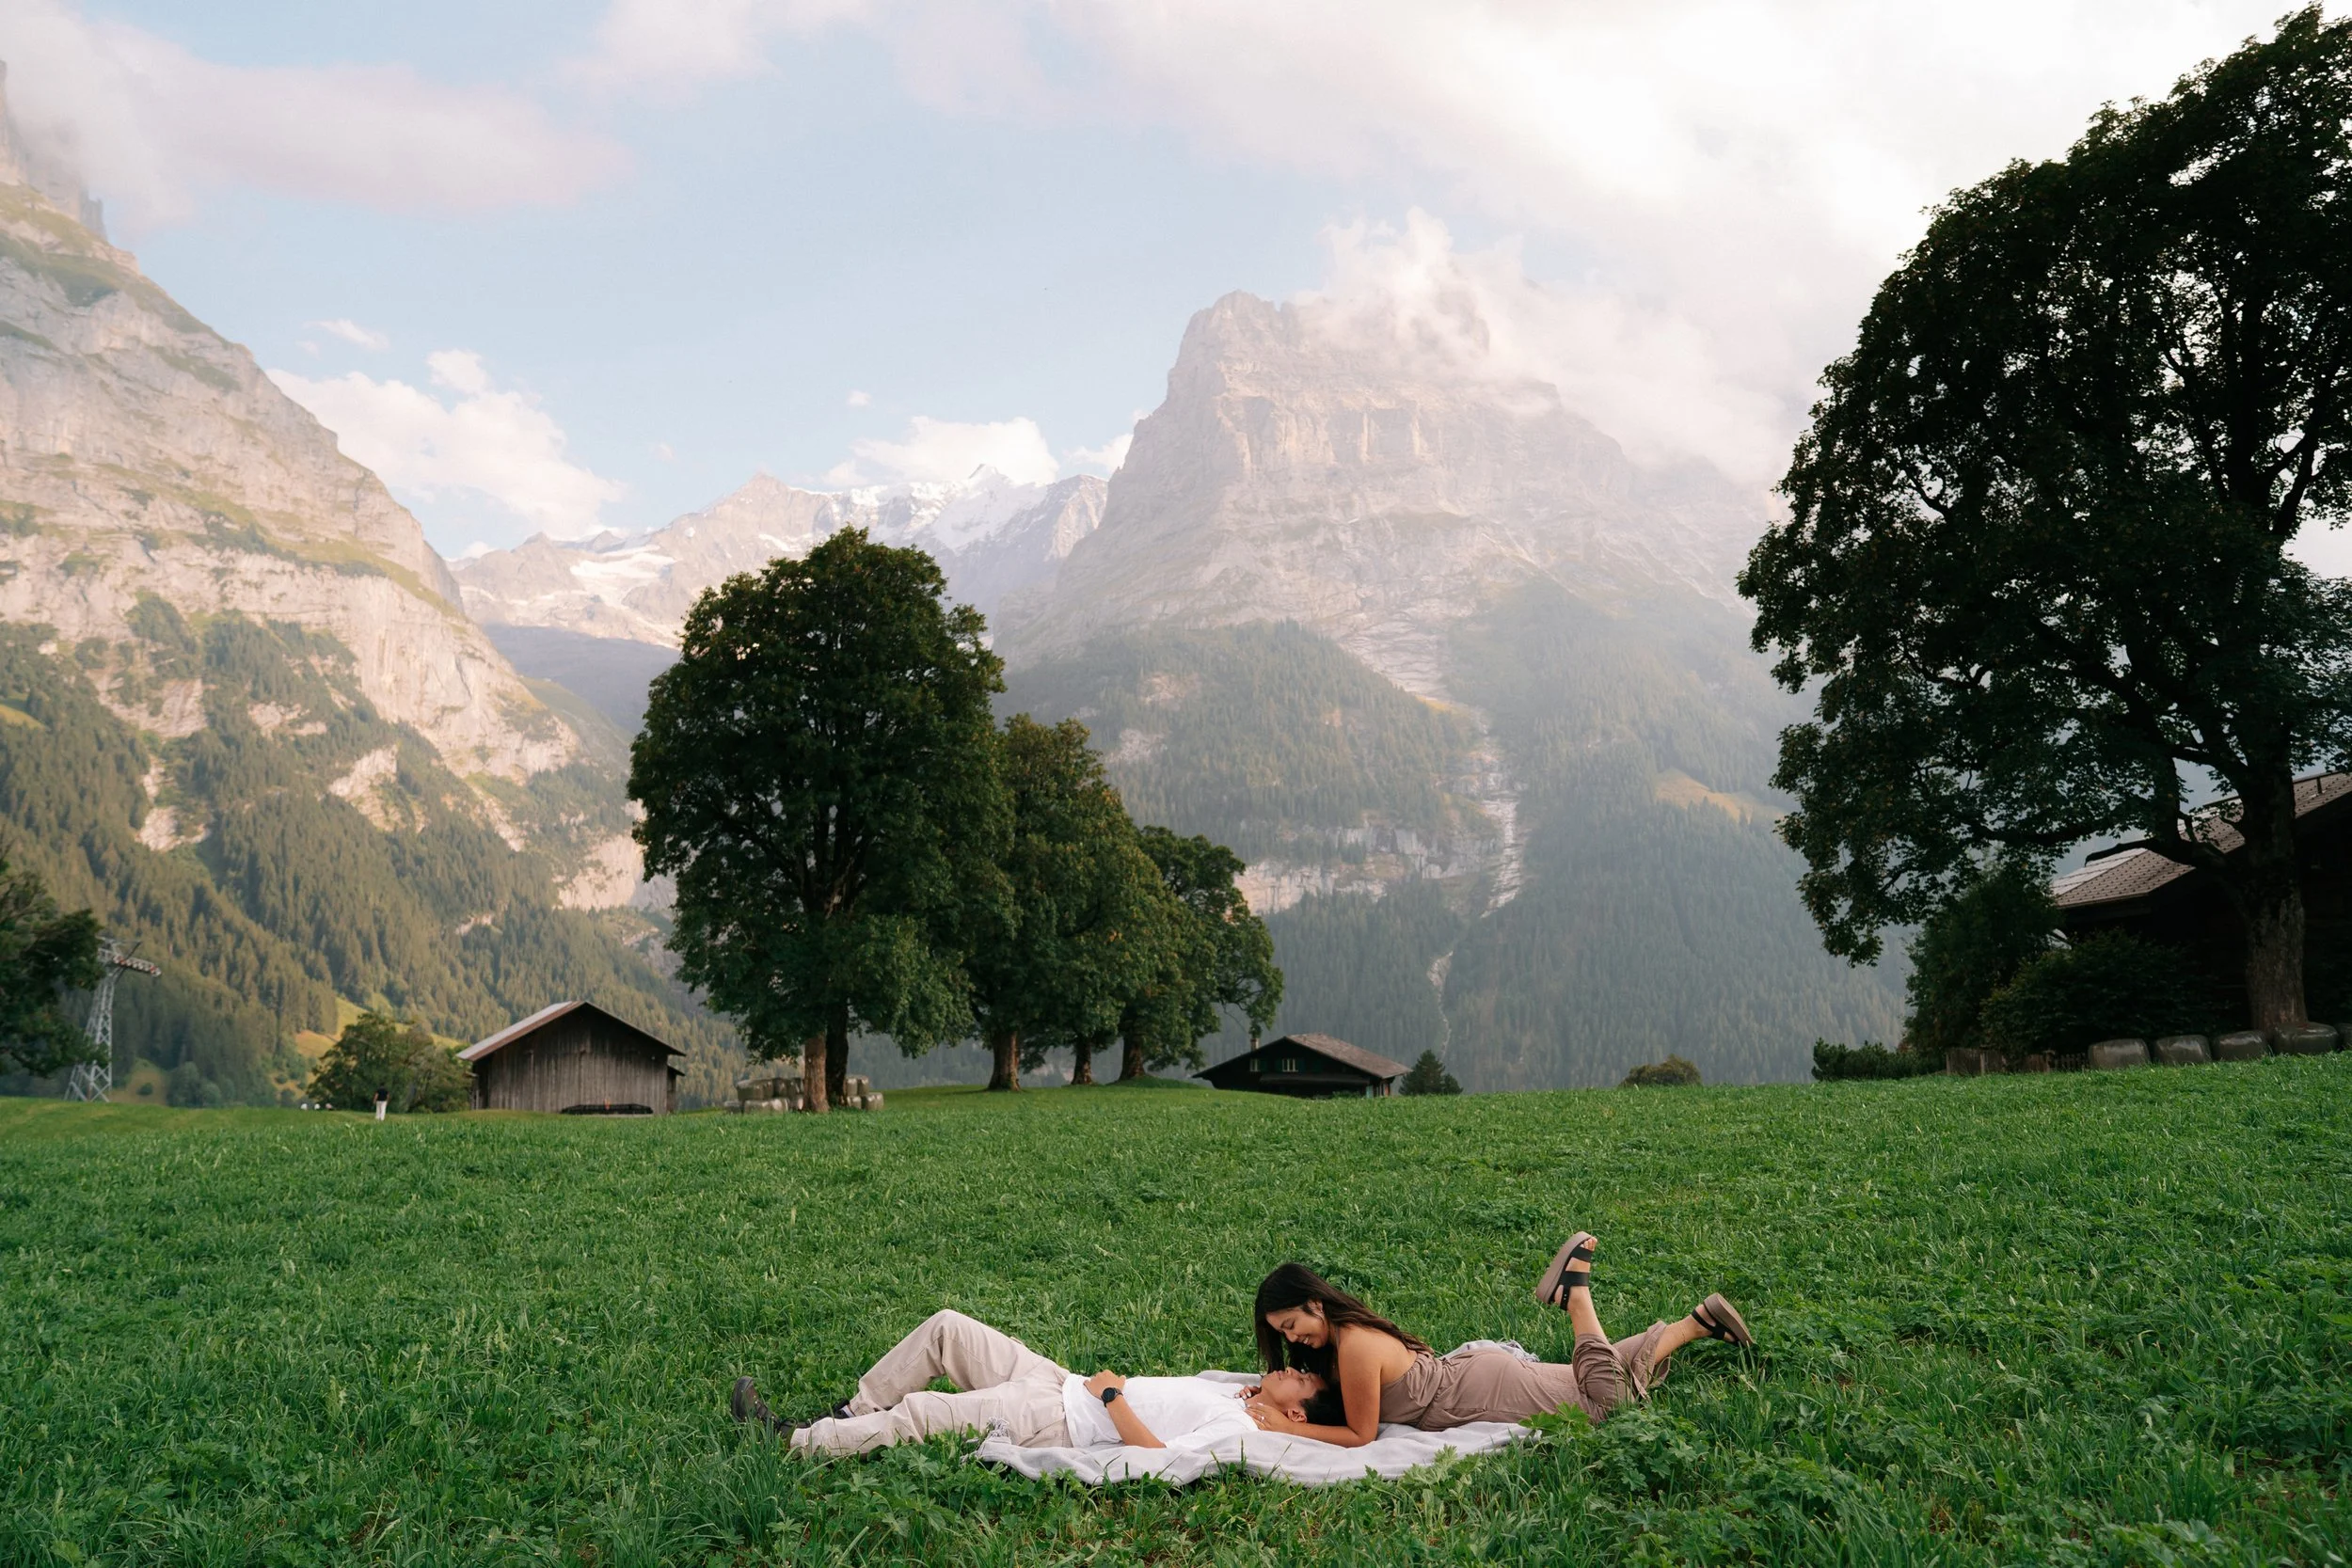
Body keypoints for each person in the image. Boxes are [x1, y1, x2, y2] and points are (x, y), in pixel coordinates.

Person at [1248, 1233, 1752, 1446]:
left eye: (1291, 1325)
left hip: (1479, 1392)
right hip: (1475, 1377)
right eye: (1282, 1334)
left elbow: (1359, 1437)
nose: (1293, 1340)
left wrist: (1287, 1427)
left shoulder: (1354, 1346)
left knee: (1607, 1408)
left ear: (1315, 1304)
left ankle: (1576, 1298)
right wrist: (1269, 1393)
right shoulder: (1340, 1340)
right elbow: (1324, 1397)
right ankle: (1698, 1323)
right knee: (1592, 1381)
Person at [730, 1307, 1329, 1455]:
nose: (1291, 1366)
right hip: (1058, 1381)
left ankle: (792, 1442)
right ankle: (848, 1415)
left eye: (1302, 1379)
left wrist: (1112, 1394)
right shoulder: (1238, 1392)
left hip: (1058, 1418)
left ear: (1298, 1414)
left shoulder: (1235, 1427)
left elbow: (1160, 1459)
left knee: (923, 1413)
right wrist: (1262, 1392)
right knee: (947, 1329)